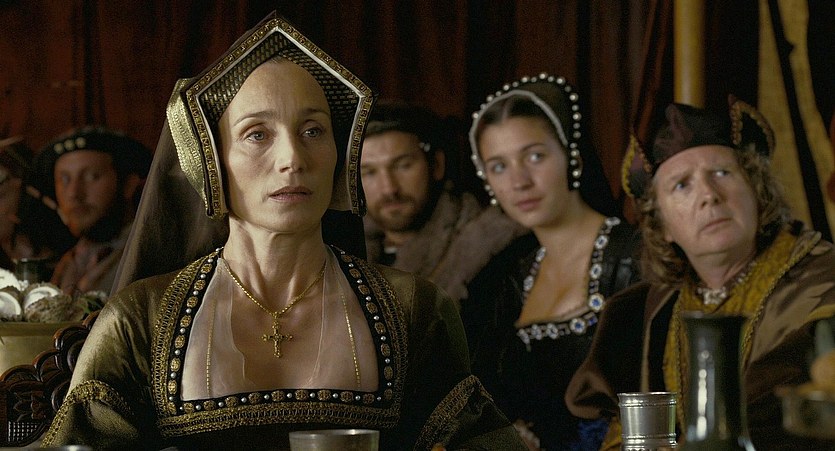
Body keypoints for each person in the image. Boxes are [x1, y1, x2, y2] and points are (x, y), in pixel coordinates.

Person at [42, 12, 525, 450]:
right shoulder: (140, 319)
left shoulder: (412, 309)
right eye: (257, 134)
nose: (293, 158)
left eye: (313, 130)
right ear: (212, 161)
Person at [566, 99, 835, 449]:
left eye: (722, 173)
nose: (709, 195)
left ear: (757, 190)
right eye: (682, 185)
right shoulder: (649, 310)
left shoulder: (822, 281)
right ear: (663, 225)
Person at [462, 73, 642, 450]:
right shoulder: (507, 279)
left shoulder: (635, 256)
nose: (519, 181)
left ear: (571, 157)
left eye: (535, 156)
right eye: (499, 166)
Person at [361, 100, 525, 304]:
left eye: (403, 165)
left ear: (437, 165)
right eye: (369, 172)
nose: (389, 188)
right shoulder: (346, 258)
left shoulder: (492, 251)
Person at [33, 126, 151, 295]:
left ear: (128, 184)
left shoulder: (149, 255)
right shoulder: (67, 263)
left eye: (92, 176)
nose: (74, 193)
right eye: (64, 179)